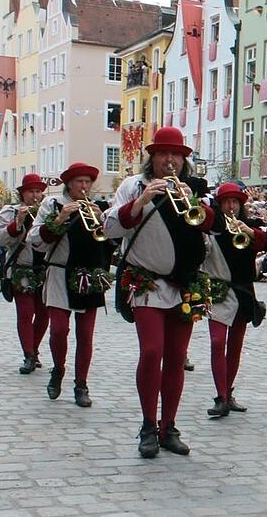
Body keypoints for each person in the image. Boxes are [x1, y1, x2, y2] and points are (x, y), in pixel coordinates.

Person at [104, 126, 215, 458]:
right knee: (152, 352)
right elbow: (110, 228)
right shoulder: (132, 186)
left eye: (176, 155)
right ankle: (148, 425)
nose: (170, 161)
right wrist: (140, 202)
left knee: (177, 358)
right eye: (163, 154)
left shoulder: (195, 189)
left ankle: (169, 426)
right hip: (147, 281)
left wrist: (194, 201)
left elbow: (212, 225)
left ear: (183, 160)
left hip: (185, 283)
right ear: (151, 158)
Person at [30, 162, 111, 408]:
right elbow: (35, 240)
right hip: (59, 272)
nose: (84, 187)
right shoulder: (52, 205)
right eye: (79, 182)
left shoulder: (100, 208)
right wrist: (62, 217)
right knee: (58, 330)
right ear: (69, 184)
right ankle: (58, 369)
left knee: (85, 334)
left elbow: (111, 243)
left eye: (88, 182)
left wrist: (102, 222)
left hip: (89, 275)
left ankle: (81, 384)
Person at [202, 183, 267, 417]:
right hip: (219, 290)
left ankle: (228, 392)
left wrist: (250, 232)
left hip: (243, 291)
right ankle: (220, 395)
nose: (231, 206)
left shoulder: (251, 226)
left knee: (235, 346)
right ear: (220, 204)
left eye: (235, 202)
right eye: (226, 202)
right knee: (216, 342)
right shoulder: (213, 225)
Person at [0, 173, 49, 374]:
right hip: (22, 268)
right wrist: (18, 222)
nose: (35, 195)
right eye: (31, 191)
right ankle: (28, 355)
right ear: (22, 194)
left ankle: (34, 348)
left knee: (44, 314)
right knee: (26, 313)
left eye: (38, 192)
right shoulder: (10, 211)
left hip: (43, 269)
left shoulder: (47, 210)